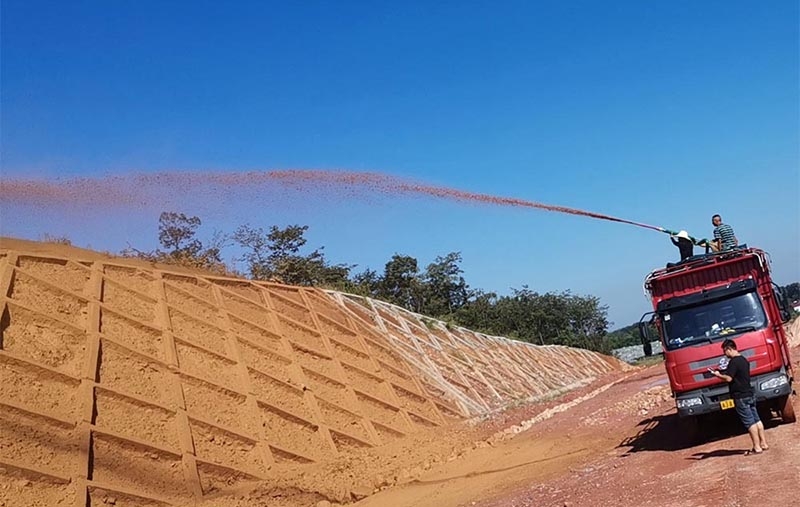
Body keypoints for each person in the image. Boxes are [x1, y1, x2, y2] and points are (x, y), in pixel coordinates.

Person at [710, 339, 769, 455]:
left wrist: (718, 375)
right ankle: (764, 443)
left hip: (740, 396)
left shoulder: (734, 362)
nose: (725, 354)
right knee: (757, 419)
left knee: (749, 422)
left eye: (725, 351)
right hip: (749, 393)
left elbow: (729, 378)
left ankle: (757, 447)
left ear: (729, 349)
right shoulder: (744, 360)